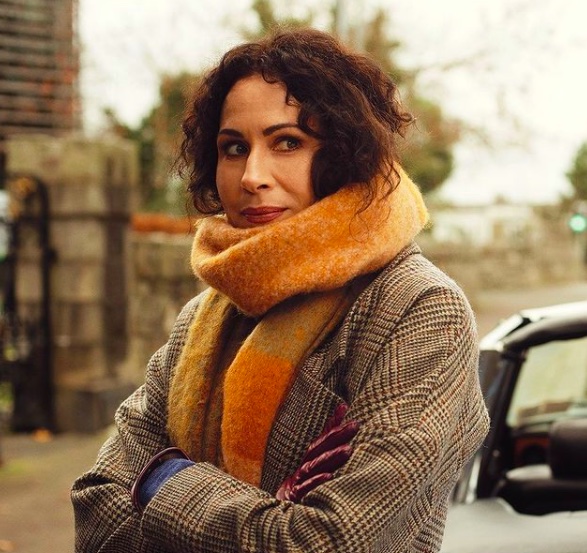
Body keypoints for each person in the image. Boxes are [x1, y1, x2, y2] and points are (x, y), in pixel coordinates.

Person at [72, 27, 489, 553]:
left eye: (287, 142)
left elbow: (331, 541)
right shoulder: (204, 317)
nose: (252, 175)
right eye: (233, 148)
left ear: (346, 154)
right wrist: (268, 516)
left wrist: (164, 481)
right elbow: (97, 511)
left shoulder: (417, 309)